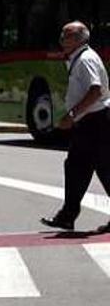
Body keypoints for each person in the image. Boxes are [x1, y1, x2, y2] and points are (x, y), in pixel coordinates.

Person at [40, 21, 110, 233]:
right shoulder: (79, 58)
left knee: (101, 169)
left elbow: (95, 90)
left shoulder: (85, 59)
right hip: (92, 121)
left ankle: (67, 215)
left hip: (96, 120)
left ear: (79, 39)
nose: (61, 39)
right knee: (78, 167)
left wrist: (72, 115)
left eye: (66, 35)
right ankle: (67, 215)